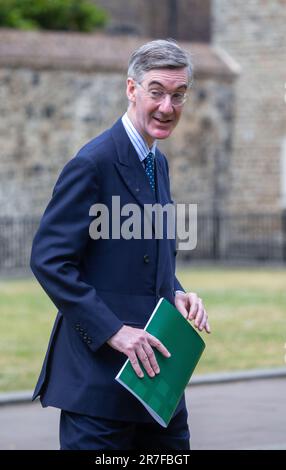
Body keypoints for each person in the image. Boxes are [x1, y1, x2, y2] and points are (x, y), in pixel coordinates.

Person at [30, 39, 210, 450]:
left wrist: (177, 293)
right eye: (157, 92)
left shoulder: (157, 161)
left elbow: (148, 259)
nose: (168, 107)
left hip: (158, 386)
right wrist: (113, 330)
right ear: (132, 89)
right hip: (99, 389)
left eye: (178, 95)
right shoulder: (92, 163)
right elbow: (49, 260)